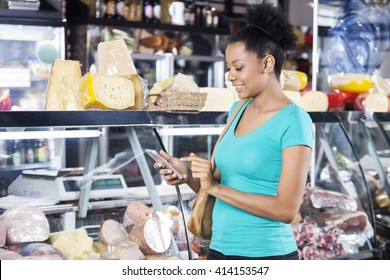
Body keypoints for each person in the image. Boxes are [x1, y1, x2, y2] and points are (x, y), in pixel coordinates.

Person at [154, 1, 314, 260]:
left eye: (238, 67)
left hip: (267, 256)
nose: (230, 75)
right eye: (229, 67)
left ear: (267, 64)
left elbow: (287, 209)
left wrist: (215, 189)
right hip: (219, 250)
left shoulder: (295, 120)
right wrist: (188, 176)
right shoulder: (237, 110)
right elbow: (218, 183)